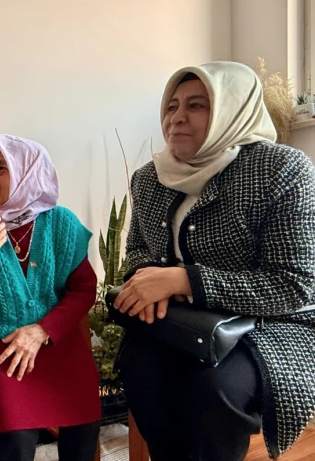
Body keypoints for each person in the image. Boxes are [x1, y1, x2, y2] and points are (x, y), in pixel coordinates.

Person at [114, 61, 315, 460]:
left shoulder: (282, 170)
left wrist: (184, 281)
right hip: (182, 323)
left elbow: (295, 284)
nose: (177, 117)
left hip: (272, 325)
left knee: (214, 389)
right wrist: (145, 280)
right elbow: (136, 251)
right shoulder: (149, 178)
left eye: (197, 105)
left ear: (231, 110)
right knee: (138, 367)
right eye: (171, 106)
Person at [0, 132, 101, 461]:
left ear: (27, 172)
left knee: (83, 428)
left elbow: (84, 289)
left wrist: (43, 330)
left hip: (56, 341)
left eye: (2, 168)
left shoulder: (61, 223)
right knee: (15, 440)